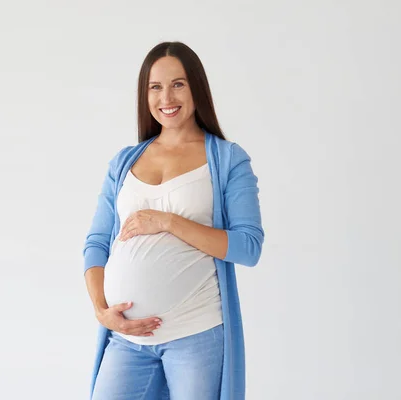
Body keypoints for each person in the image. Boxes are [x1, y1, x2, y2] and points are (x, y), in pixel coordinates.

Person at [83, 41, 265, 400]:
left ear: (197, 87)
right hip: (127, 340)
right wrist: (102, 312)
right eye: (155, 87)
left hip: (196, 338)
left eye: (178, 84)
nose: (166, 96)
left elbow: (248, 247)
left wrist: (168, 222)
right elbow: (97, 243)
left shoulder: (227, 159)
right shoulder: (124, 162)